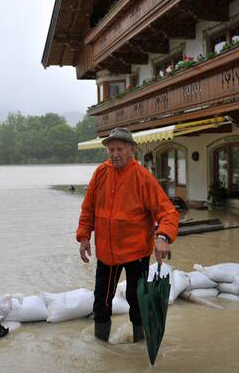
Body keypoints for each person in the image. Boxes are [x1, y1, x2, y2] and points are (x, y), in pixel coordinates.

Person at [75, 127, 179, 343]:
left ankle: (139, 345)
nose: (115, 154)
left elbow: (168, 212)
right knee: (101, 303)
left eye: (120, 149)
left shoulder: (143, 178)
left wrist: (163, 238)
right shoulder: (100, 173)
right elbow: (88, 209)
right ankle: (101, 347)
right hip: (106, 253)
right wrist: (84, 236)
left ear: (132, 149)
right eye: (111, 149)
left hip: (136, 253)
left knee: (137, 300)